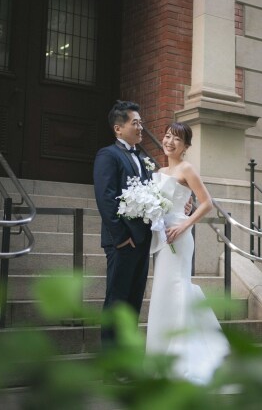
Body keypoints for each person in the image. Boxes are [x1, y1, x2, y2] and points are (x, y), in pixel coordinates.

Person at [146, 122, 230, 384]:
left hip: (179, 238)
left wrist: (184, 224)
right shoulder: (159, 171)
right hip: (162, 237)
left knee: (178, 288)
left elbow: (207, 203)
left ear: (186, 147)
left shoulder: (187, 168)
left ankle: (182, 359)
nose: (170, 142)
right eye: (168, 136)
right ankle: (161, 355)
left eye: (177, 139)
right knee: (163, 292)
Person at [93, 100, 152, 350]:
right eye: (135, 123)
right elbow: (105, 197)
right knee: (116, 302)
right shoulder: (108, 155)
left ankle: (127, 361)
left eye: (141, 123)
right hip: (122, 242)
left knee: (133, 303)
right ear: (119, 128)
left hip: (141, 240)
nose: (141, 127)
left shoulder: (143, 157)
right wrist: (120, 236)